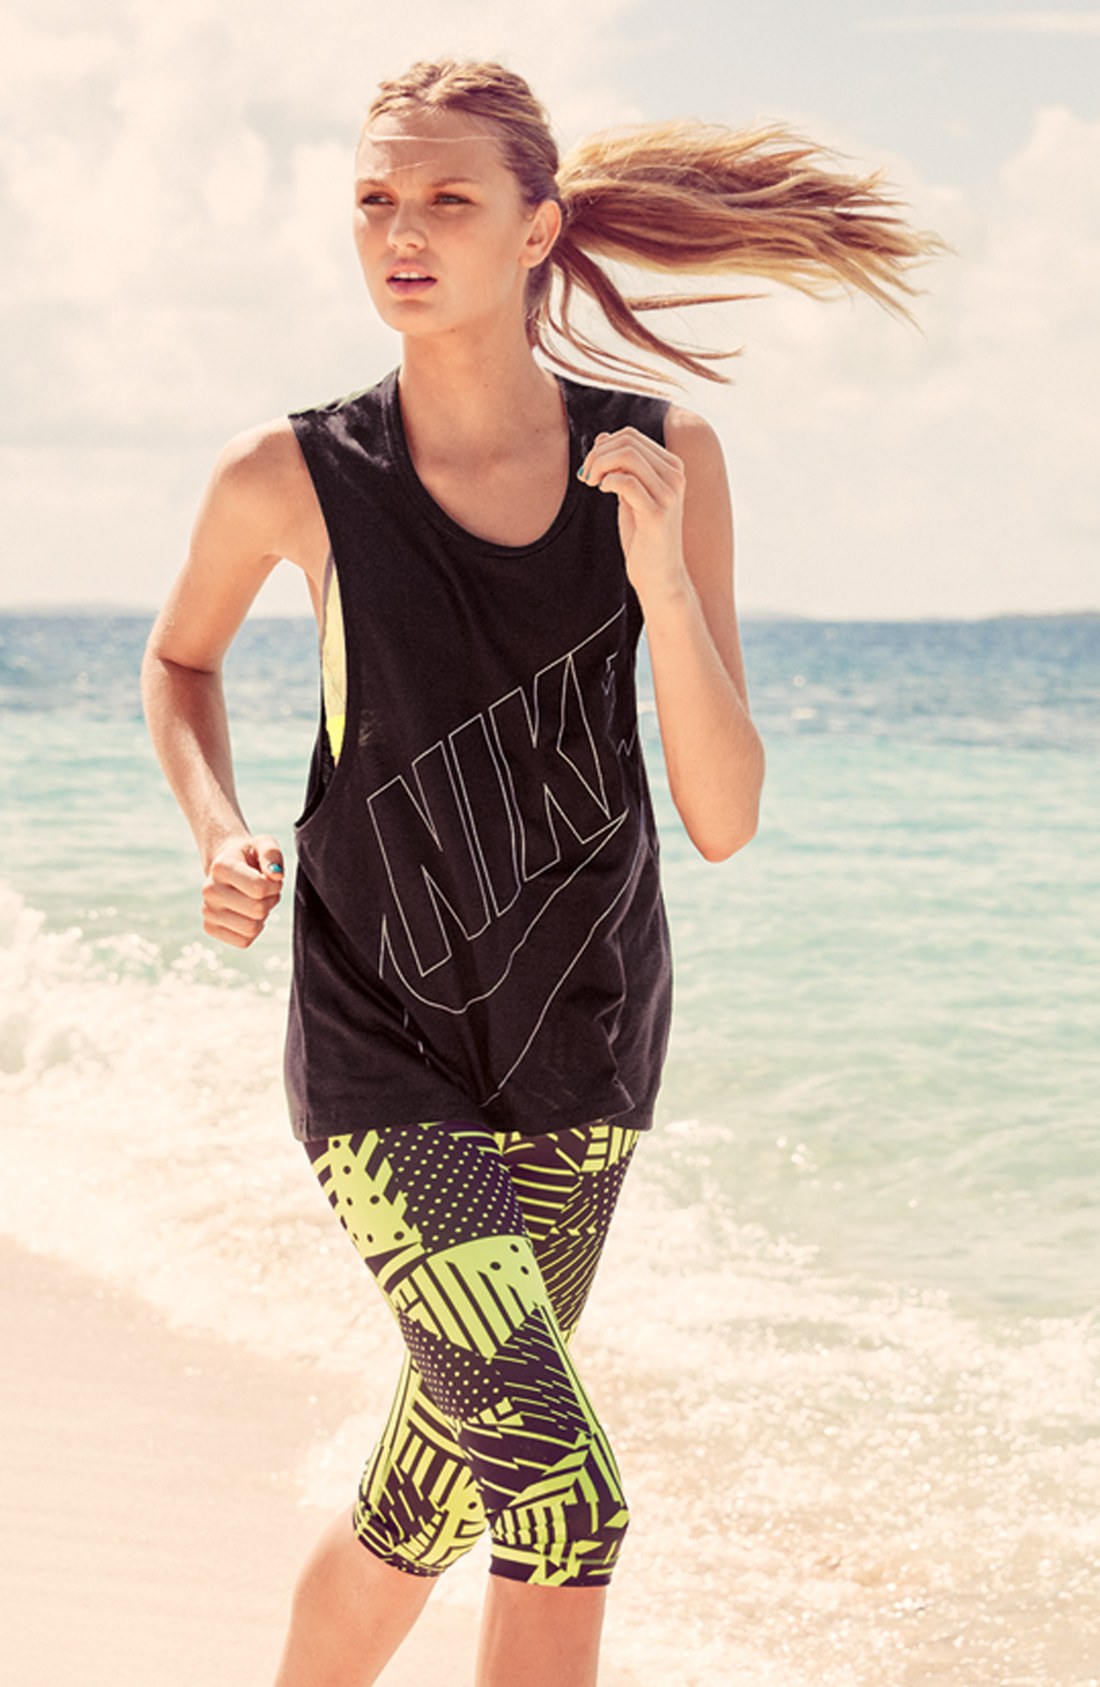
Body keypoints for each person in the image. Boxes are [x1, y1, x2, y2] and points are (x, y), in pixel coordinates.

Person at [142, 57, 937, 1687]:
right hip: (380, 1055)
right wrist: (216, 825)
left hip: (586, 1044)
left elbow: (723, 813)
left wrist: (661, 581)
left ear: (535, 231)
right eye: (377, 199)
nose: (403, 232)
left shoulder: (660, 456)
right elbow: (180, 660)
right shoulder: (291, 474)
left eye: (447, 200)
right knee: (565, 1500)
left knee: (432, 1491)